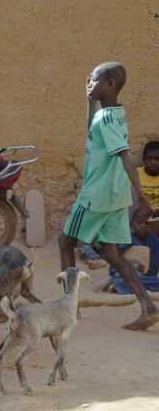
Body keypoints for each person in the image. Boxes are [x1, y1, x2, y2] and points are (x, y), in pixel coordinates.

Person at [59, 61, 159, 330]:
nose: (89, 84)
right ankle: (148, 307)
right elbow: (91, 128)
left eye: (94, 81)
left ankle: (69, 306)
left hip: (96, 195)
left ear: (110, 85)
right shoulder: (113, 114)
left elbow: (125, 154)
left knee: (65, 242)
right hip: (115, 195)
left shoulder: (106, 119)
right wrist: (89, 99)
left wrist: (141, 196)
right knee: (112, 253)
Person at [108, 209, 159, 293]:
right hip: (129, 275)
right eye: (139, 222)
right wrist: (129, 263)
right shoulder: (127, 240)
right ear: (132, 224)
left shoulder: (153, 240)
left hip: (149, 277)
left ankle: (120, 287)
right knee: (123, 280)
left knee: (143, 281)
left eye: (146, 223)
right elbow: (113, 264)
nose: (143, 226)